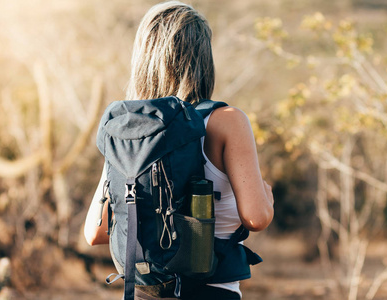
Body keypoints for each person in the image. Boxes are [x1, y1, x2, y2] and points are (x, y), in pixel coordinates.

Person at [84, 1, 274, 299]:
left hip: (146, 291)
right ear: (203, 59)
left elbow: (94, 232)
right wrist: (266, 193)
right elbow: (257, 218)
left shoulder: (127, 131)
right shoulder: (226, 121)